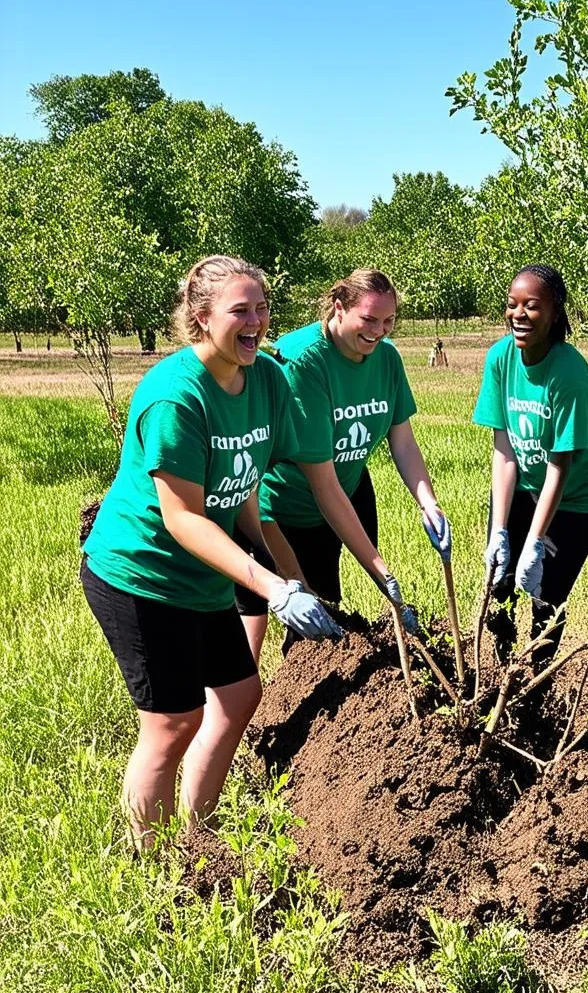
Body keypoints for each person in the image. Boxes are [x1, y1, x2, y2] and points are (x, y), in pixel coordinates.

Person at [81, 256, 342, 847]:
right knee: (173, 723)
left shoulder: (265, 380)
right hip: (140, 573)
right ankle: (151, 867)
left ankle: (199, 835)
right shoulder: (174, 397)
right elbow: (182, 518)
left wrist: (280, 567)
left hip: (201, 574)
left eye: (261, 308)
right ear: (201, 318)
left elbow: (242, 480)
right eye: (239, 311)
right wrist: (269, 586)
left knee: (238, 697)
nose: (255, 322)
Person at [235, 269, 448, 657]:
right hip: (284, 506)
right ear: (339, 307)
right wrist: (385, 577)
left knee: (324, 607)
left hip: (346, 491)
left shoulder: (386, 358)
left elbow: (402, 441)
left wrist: (428, 502)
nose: (379, 331)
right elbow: (322, 484)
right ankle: (259, 702)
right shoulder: (305, 362)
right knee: (288, 609)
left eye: (388, 321)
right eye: (368, 319)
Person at [473, 264, 588, 658]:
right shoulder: (500, 359)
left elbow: (561, 465)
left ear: (556, 312)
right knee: (500, 581)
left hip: (579, 489)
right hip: (526, 480)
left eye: (532, 306)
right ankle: (497, 670)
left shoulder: (570, 373)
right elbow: (504, 450)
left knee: (546, 593)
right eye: (512, 304)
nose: (519, 314)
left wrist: (536, 541)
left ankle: (535, 689)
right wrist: (501, 531)